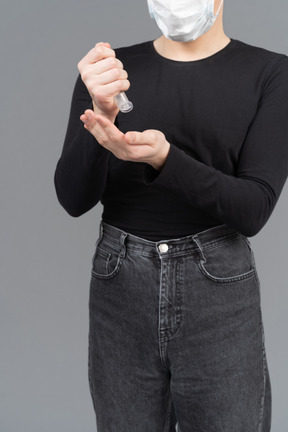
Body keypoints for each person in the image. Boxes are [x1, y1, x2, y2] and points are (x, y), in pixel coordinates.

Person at [54, 0, 288, 430]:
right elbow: (72, 198)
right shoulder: (110, 73)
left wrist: (166, 160)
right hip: (121, 282)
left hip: (217, 288)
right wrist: (100, 114)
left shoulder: (272, 73)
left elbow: (253, 208)